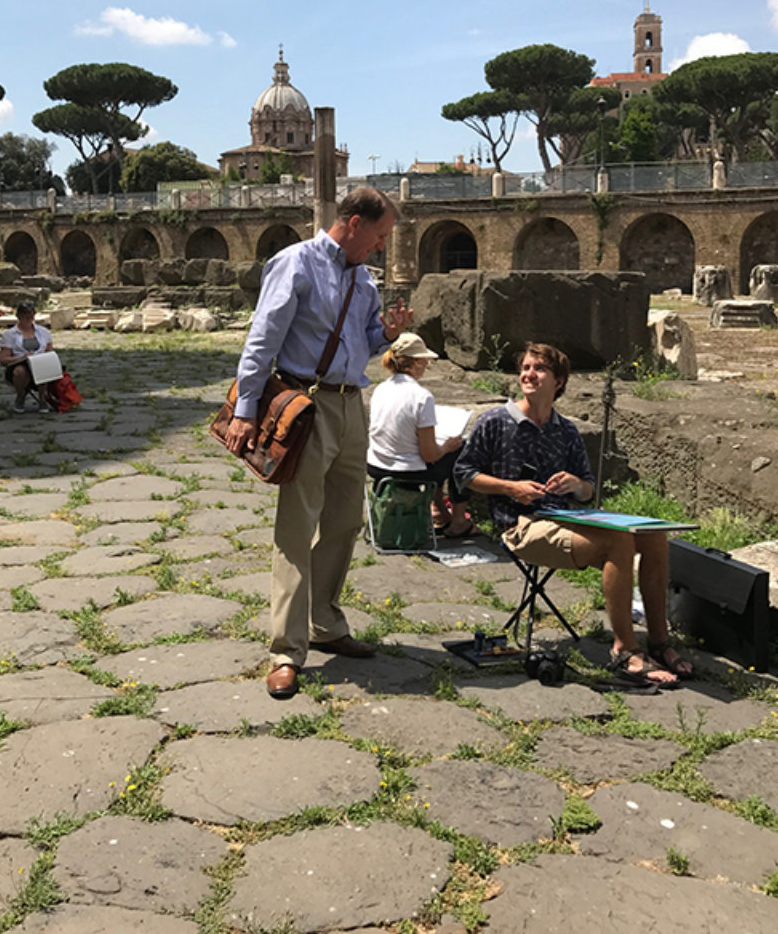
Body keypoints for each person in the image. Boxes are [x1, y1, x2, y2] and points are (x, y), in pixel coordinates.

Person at [226, 186, 412, 699]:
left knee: (346, 520)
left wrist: (389, 335)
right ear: (353, 223)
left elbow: (367, 343)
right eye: (378, 236)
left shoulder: (365, 281)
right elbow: (262, 339)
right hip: (307, 406)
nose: (380, 247)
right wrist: (245, 408)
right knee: (296, 525)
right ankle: (285, 649)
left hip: (354, 406)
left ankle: (325, 622)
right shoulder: (296, 264)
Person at [454, 342, 693, 687]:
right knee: (618, 542)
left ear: (559, 381)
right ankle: (625, 649)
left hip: (565, 520)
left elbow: (588, 490)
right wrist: (511, 488)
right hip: (520, 526)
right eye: (525, 368)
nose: (528, 374)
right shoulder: (495, 421)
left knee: (654, 534)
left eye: (538, 369)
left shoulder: (565, 431)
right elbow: (464, 473)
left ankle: (660, 642)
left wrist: (574, 484)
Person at [366, 331, 478, 537]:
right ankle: (459, 521)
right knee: (462, 455)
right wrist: (447, 446)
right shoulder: (421, 397)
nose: (427, 365)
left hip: (376, 467)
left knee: (435, 455)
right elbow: (430, 455)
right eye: (425, 360)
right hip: (407, 472)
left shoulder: (379, 389)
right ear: (416, 362)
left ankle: (437, 510)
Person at [0, 301, 59, 414]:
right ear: (18, 317)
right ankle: (20, 397)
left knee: (44, 367)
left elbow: (49, 352)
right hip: (19, 364)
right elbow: (3, 359)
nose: (28, 320)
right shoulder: (10, 334)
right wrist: (22, 357)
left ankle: (42, 399)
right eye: (25, 317)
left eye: (30, 317)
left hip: (40, 364)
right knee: (20, 371)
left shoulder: (44, 332)